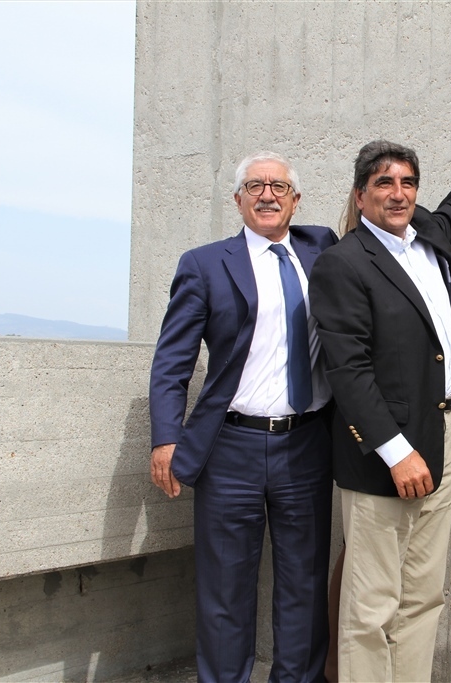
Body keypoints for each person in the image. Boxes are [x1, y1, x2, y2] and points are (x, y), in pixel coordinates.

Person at [309, 117, 451, 683]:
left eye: (408, 183)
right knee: (371, 605)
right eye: (384, 183)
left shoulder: (429, 236)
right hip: (384, 452)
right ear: (360, 195)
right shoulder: (343, 263)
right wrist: (396, 452)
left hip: (441, 436)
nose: (398, 194)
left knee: (422, 595)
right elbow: (348, 370)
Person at [149, 151, 336, 682]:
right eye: (255, 186)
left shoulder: (322, 250)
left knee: (304, 586)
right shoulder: (204, 264)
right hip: (231, 449)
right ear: (237, 200)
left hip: (307, 445)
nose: (267, 195)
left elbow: (394, 244)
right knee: (224, 590)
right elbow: (172, 361)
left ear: (296, 200)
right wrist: (165, 437)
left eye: (279, 186)